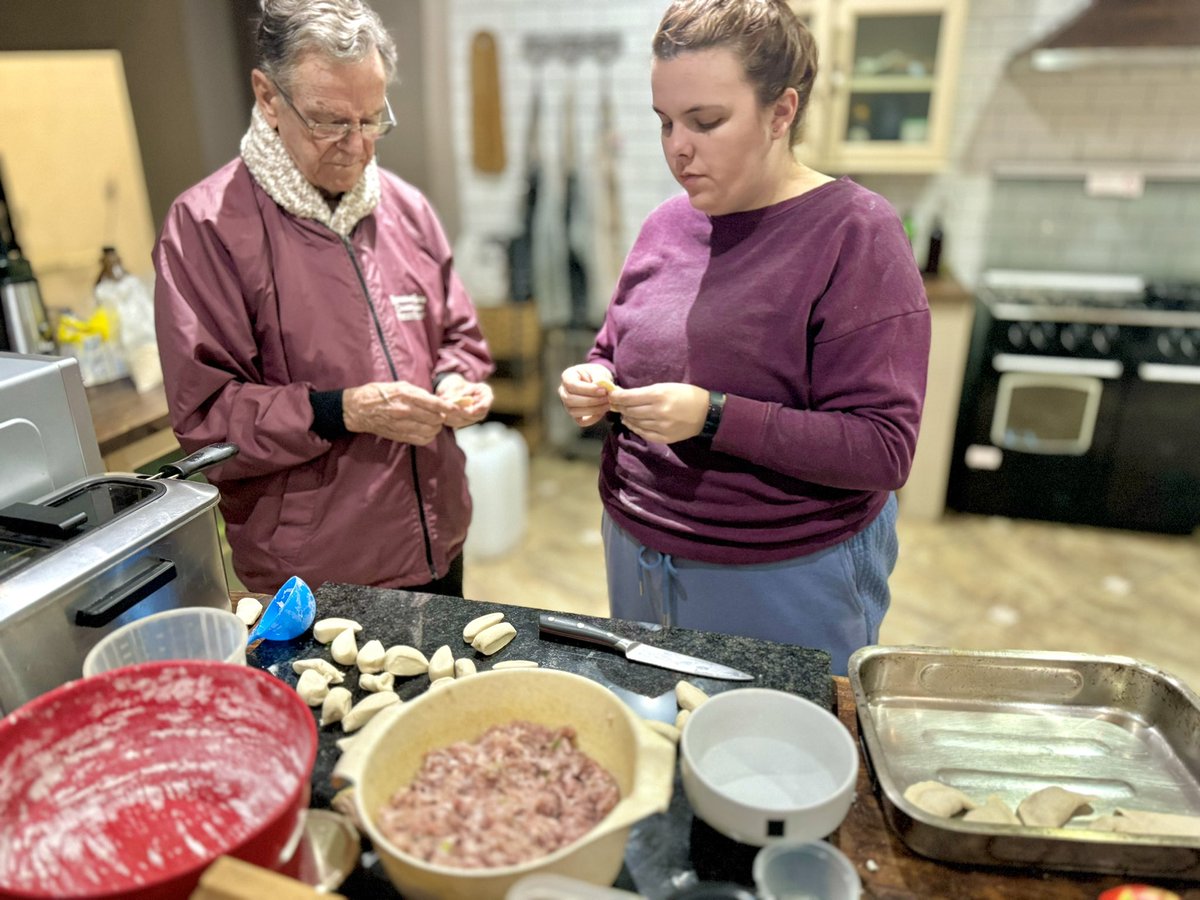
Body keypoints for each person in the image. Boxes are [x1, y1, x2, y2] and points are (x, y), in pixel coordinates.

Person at [558, 0, 930, 675]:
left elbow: (882, 448)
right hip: (637, 548)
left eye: (706, 122)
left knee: (777, 765)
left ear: (782, 112)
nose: (678, 147)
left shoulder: (857, 233)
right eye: (665, 122)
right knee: (667, 743)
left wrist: (714, 417)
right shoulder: (666, 225)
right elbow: (618, 345)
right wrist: (594, 378)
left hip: (783, 574)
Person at [154, 0, 494, 597]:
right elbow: (208, 422)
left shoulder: (406, 208)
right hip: (315, 574)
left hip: (436, 538)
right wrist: (341, 410)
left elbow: (459, 336)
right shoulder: (206, 227)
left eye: (371, 119)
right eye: (328, 121)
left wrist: (454, 381)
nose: (356, 146)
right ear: (267, 97)